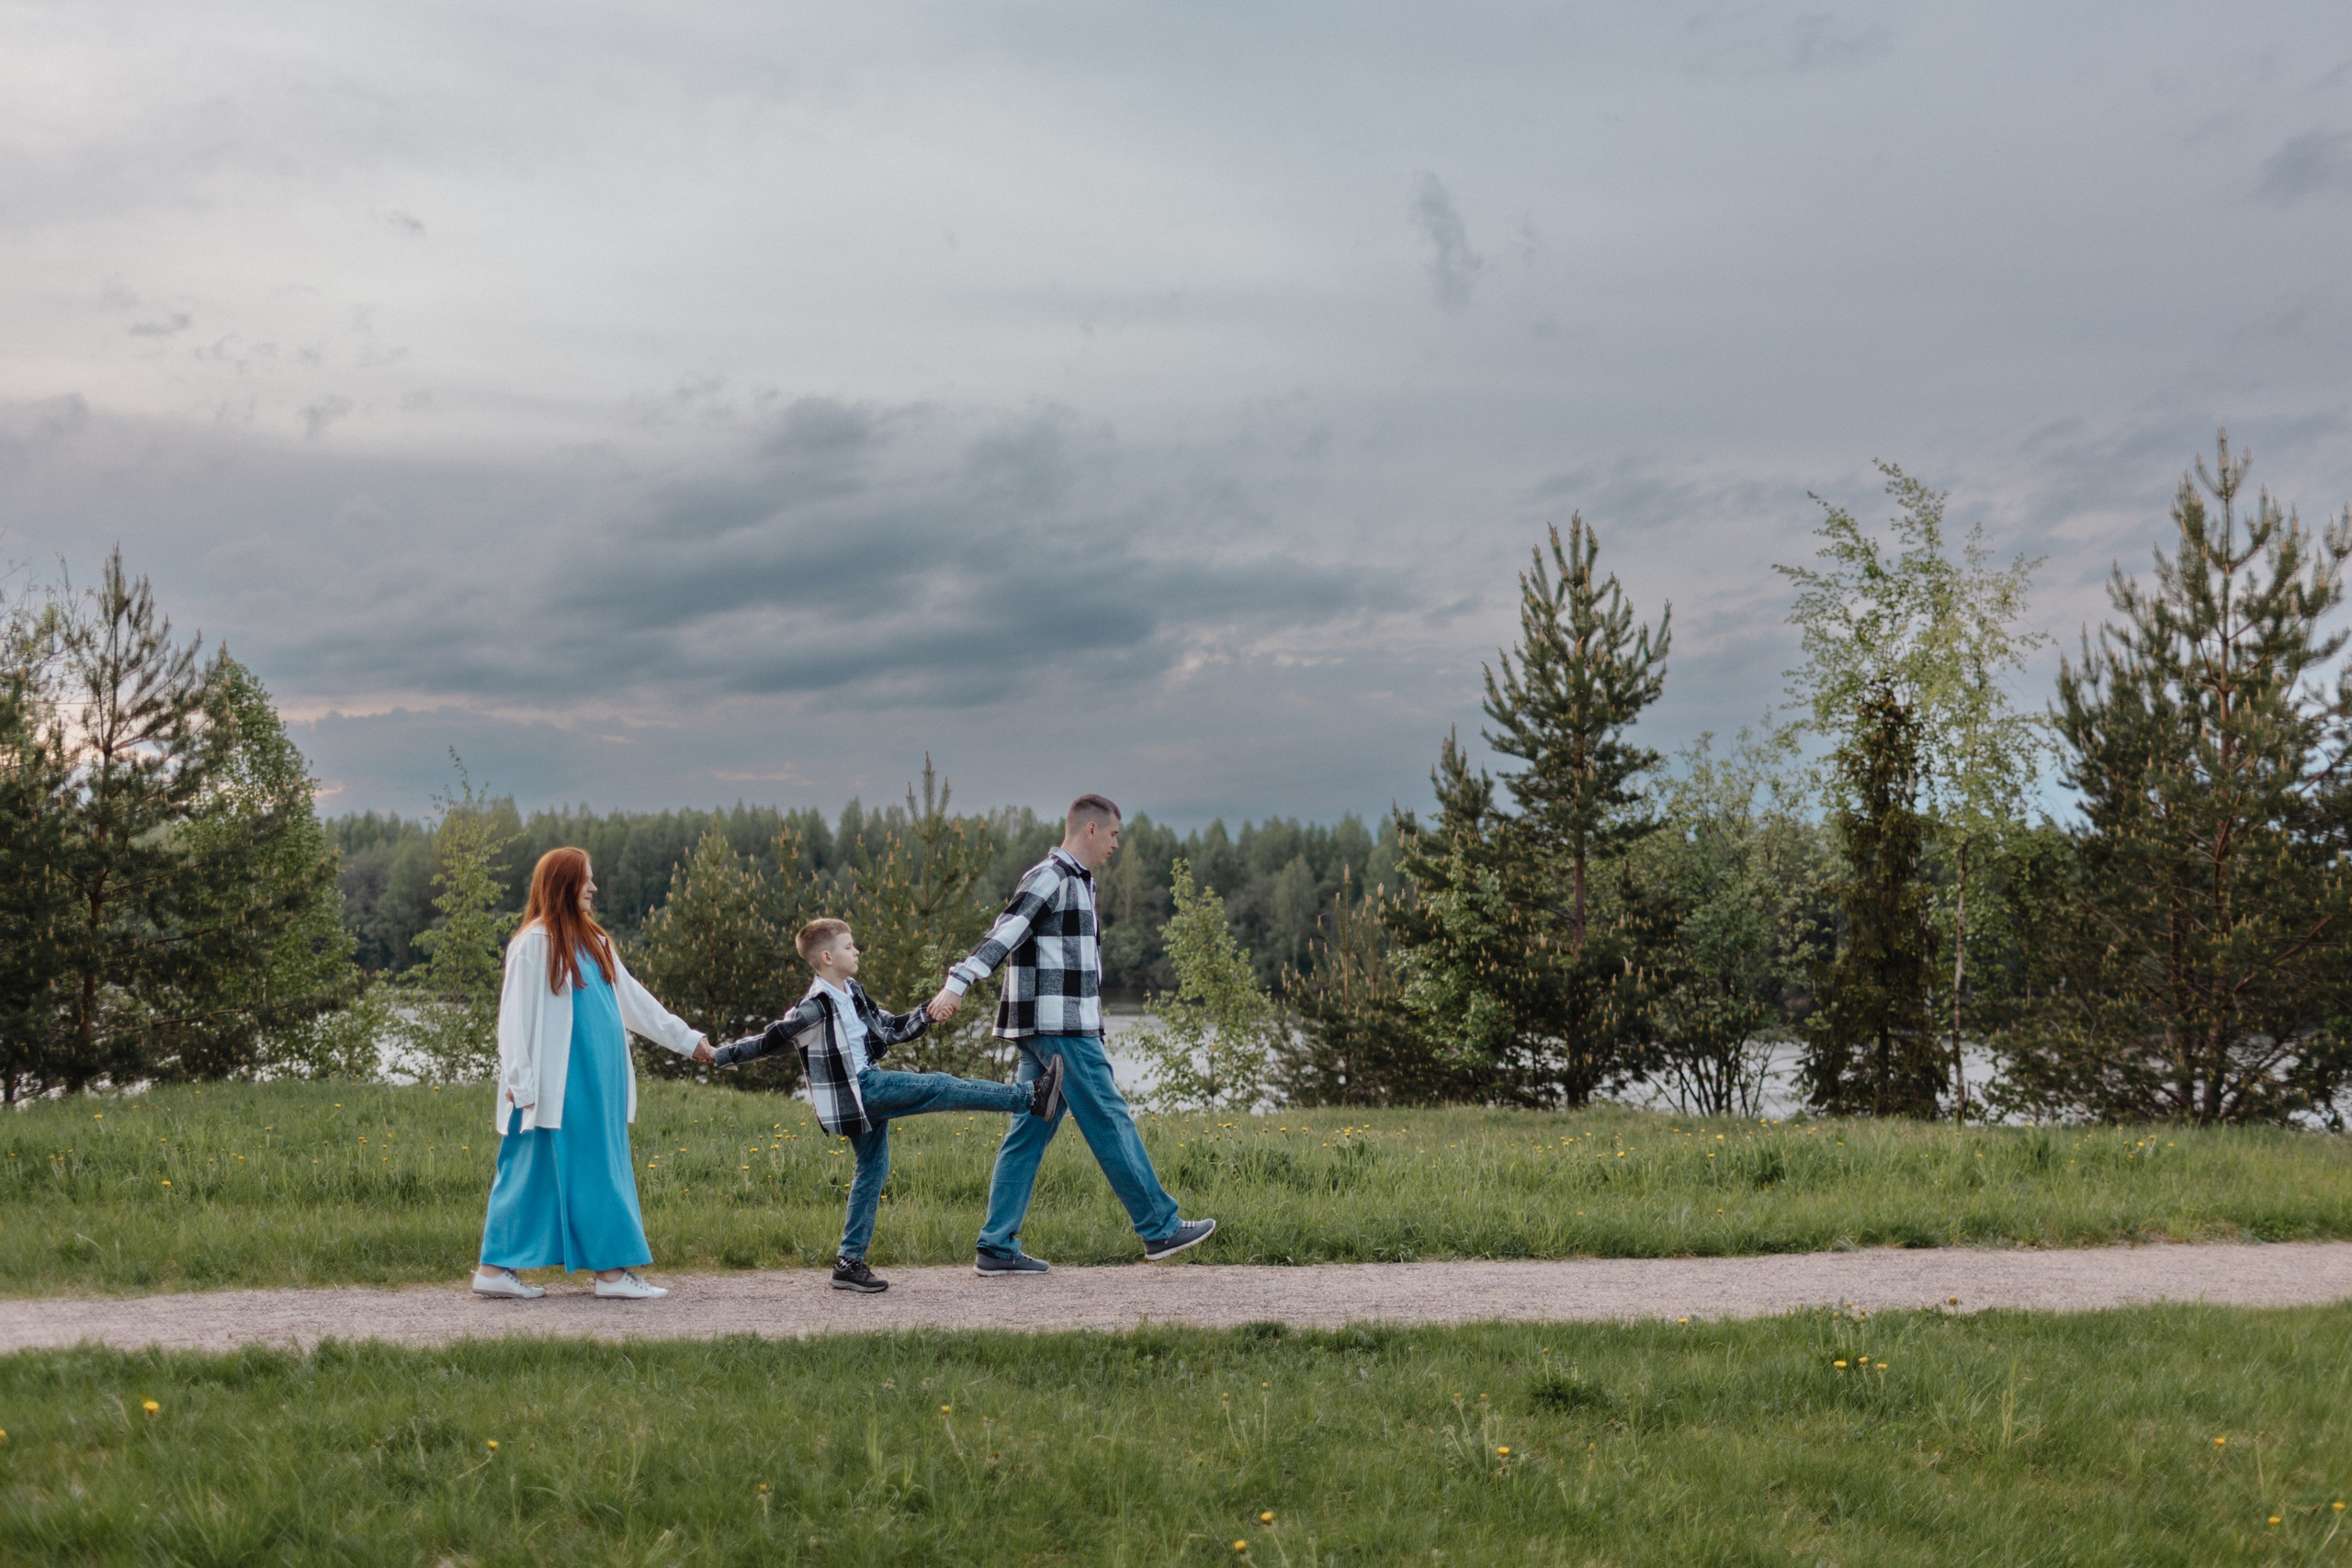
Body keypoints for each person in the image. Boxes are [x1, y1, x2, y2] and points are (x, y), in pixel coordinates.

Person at [928, 793, 1216, 1275]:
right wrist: (958, 983)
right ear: (1090, 829)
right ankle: (1160, 1227)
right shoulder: (1052, 877)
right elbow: (1006, 931)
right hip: (1061, 1027)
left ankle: (996, 1246)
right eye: (1113, 834)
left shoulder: (1080, 882)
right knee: (1109, 1117)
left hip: (1053, 1024)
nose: (1116, 844)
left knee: (1029, 1131)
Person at [711, 918, 1069, 1292]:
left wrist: (927, 1014)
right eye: (849, 946)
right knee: (939, 1087)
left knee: (872, 1170)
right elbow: (769, 1040)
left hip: (863, 1093)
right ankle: (1029, 1097)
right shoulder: (814, 1008)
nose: (857, 951)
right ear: (827, 957)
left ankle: (848, 1263)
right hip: (859, 1092)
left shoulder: (852, 992)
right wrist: (721, 1055)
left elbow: (889, 1029)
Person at [472, 847, 716, 1301]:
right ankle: (603, 1274)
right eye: (586, 879)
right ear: (564, 885)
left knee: (589, 1166)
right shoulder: (534, 943)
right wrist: (520, 1083)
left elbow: (634, 1001)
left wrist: (688, 1041)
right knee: (539, 1166)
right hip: (560, 1081)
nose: (593, 888)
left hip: (600, 1080)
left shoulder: (594, 941)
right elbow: (513, 1019)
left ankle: (582, 1272)